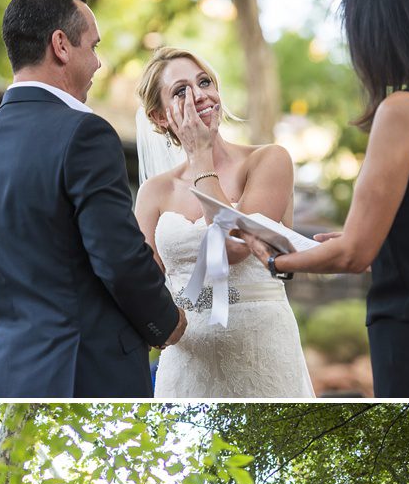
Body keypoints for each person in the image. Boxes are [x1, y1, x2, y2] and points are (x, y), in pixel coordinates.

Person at [237, 0, 409, 398]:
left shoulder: (404, 109)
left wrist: (275, 262)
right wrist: (376, 240)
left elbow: (352, 254)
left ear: (378, 31)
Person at [0, 0, 184, 398]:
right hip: (87, 375)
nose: (97, 62)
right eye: (92, 47)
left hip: (5, 379)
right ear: (61, 45)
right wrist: (166, 322)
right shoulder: (85, 134)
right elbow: (118, 260)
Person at [133, 47, 314, 398]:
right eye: (180, 91)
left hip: (261, 347)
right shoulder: (153, 192)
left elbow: (233, 245)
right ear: (159, 117)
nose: (199, 95)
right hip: (187, 358)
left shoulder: (268, 160)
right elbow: (145, 279)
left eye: (204, 82)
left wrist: (201, 157)